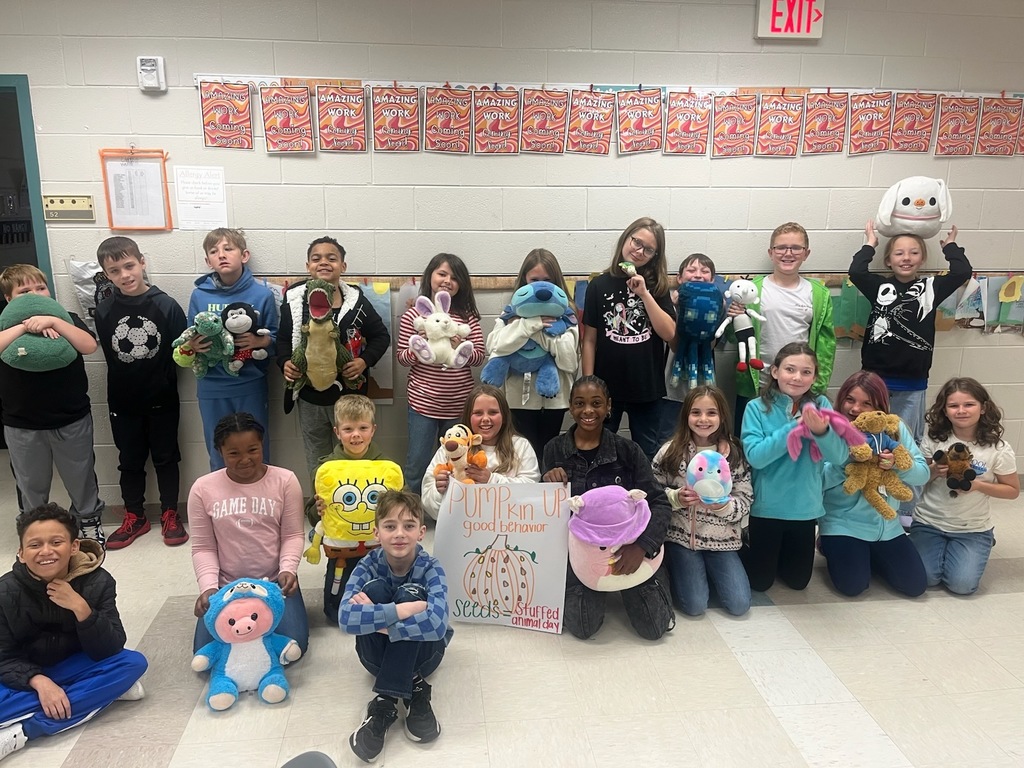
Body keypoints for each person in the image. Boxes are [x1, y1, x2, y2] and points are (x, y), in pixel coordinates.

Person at [0, 504, 147, 761]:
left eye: (56, 542)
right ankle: (99, 693)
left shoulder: (99, 582)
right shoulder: (5, 592)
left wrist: (82, 609)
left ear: (74, 546)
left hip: (74, 664)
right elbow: (3, 656)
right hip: (24, 672)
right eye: (35, 545)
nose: (46, 551)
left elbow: (111, 648)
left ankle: (23, 731)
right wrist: (40, 682)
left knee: (132, 663)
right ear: (21, 553)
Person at [850, 223, 972, 524]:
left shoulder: (932, 287)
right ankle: (866, 499)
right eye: (899, 253)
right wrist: (870, 243)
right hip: (874, 382)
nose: (906, 258)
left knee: (907, 445)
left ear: (922, 259)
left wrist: (950, 247)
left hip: (912, 383)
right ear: (888, 260)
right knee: (868, 440)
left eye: (914, 252)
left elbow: (961, 272)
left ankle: (905, 512)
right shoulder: (879, 287)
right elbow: (856, 271)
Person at [542, 376, 674, 640]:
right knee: (582, 627)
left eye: (596, 403)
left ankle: (645, 583)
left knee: (654, 627)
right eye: (580, 403)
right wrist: (546, 484)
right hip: (584, 554)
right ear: (570, 407)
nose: (588, 411)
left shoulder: (628, 450)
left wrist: (642, 547)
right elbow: (544, 514)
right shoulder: (553, 449)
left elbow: (658, 502)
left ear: (609, 406)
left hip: (630, 548)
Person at [340, 490, 452, 763]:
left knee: (411, 591)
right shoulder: (366, 566)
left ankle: (384, 703)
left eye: (409, 526)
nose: (399, 534)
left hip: (426, 658)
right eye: (390, 526)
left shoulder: (431, 567)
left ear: (422, 532)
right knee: (379, 590)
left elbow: (438, 626)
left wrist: (383, 624)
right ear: (377, 532)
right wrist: (403, 611)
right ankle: (414, 688)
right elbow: (345, 618)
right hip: (374, 659)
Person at [93, 236, 189, 549]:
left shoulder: (166, 305)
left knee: (166, 458)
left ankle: (170, 514)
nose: (124, 274)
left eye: (129, 265)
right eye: (115, 270)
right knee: (129, 460)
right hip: (123, 401)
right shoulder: (105, 310)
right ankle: (135, 516)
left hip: (162, 399)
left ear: (142, 262)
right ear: (107, 274)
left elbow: (183, 353)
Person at [0, 265, 106, 546]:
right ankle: (34, 531)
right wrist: (25, 326)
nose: (35, 295)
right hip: (21, 422)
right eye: (24, 291)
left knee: (80, 475)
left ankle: (89, 523)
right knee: (30, 482)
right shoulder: (4, 324)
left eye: (40, 288)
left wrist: (54, 322)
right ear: (9, 299)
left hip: (71, 416)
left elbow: (88, 346)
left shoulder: (66, 318)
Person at [187, 413, 308, 654]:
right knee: (206, 651)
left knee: (294, 647)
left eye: (253, 449)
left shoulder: (285, 481)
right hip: (225, 586)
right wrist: (209, 587)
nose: (245, 459)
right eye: (234, 453)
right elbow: (203, 548)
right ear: (220, 451)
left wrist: (287, 569)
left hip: (274, 584)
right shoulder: (202, 489)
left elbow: (293, 535)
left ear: (262, 444)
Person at [278, 236, 391, 482]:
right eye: (316, 258)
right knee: (317, 459)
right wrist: (284, 362)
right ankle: (321, 510)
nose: (324, 263)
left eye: (332, 258)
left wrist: (364, 361)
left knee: (355, 455)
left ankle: (355, 509)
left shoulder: (356, 301)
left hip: (349, 396)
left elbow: (381, 336)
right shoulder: (294, 300)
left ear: (343, 266)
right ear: (308, 266)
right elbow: (283, 340)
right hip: (309, 396)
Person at [740, 342, 849, 592]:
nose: (797, 377)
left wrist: (822, 432)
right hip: (767, 509)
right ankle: (741, 544)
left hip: (805, 509)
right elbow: (756, 457)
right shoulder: (756, 408)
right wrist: (796, 427)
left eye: (806, 372)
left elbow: (840, 455)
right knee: (760, 583)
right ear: (775, 372)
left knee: (798, 582)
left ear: (814, 376)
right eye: (790, 369)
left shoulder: (821, 405)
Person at [819, 371, 929, 597]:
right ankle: (829, 544)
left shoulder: (894, 429)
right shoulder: (829, 432)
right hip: (844, 524)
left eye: (866, 403)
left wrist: (896, 464)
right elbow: (817, 479)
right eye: (850, 400)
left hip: (887, 527)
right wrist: (848, 462)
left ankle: (869, 555)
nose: (856, 409)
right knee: (853, 586)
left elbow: (923, 474)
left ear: (879, 406)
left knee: (915, 586)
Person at [177, 228, 278, 471]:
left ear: (244, 255)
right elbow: (189, 335)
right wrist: (191, 347)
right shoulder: (199, 295)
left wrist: (260, 342)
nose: (221, 255)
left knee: (256, 448)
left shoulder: (262, 294)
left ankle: (260, 504)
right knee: (218, 449)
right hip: (212, 387)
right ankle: (222, 505)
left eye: (228, 249)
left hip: (250, 384)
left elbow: (275, 337)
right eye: (214, 251)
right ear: (207, 261)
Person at [910, 378, 1019, 595]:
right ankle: (941, 548)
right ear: (945, 410)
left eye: (969, 404)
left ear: (983, 408)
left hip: (972, 528)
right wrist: (932, 472)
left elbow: (1013, 491)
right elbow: (918, 479)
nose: (961, 411)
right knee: (927, 579)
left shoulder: (998, 448)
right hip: (929, 522)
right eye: (953, 405)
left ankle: (984, 542)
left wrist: (978, 486)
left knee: (962, 586)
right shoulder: (934, 439)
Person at [652, 385, 753, 616]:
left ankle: (709, 572)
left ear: (722, 416)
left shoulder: (734, 454)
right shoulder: (671, 451)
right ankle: (683, 571)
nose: (703, 419)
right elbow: (651, 489)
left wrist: (725, 506)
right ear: (686, 415)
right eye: (696, 412)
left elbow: (745, 498)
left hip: (722, 541)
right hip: (681, 540)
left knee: (739, 605)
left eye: (711, 413)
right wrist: (675, 497)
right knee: (695, 606)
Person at [581, 217, 675, 460]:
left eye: (649, 249)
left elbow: (670, 334)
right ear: (626, 238)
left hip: (646, 387)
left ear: (655, 255)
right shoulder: (598, 285)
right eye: (636, 241)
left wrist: (644, 293)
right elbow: (589, 339)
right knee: (598, 449)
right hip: (606, 388)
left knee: (646, 454)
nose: (639, 250)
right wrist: (589, 383)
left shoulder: (658, 286)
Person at [731, 222, 835, 436]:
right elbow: (735, 341)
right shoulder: (752, 290)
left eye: (796, 248)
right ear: (771, 253)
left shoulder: (818, 295)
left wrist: (816, 385)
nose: (788, 253)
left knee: (796, 446)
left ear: (806, 253)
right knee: (751, 447)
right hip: (756, 384)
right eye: (781, 248)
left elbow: (827, 346)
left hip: (798, 386)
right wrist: (734, 319)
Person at [396, 254, 484, 495]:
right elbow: (402, 358)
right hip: (422, 403)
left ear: (462, 284)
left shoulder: (467, 318)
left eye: (454, 277)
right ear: (430, 276)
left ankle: (454, 512)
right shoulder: (414, 316)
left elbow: (479, 357)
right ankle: (411, 514)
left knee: (459, 463)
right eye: (442, 274)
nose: (447, 281)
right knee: (417, 463)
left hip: (459, 404)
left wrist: (459, 348)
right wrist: (420, 347)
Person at [485, 248, 579, 460]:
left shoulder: (566, 315)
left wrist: (533, 333)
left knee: (548, 456)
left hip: (554, 400)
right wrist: (532, 324)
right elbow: (496, 346)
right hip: (517, 401)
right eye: (534, 279)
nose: (540, 286)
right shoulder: (512, 311)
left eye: (547, 280)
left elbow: (569, 362)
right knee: (522, 456)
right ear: (524, 281)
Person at [315, 394, 394, 622]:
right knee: (335, 610)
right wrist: (317, 509)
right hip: (341, 551)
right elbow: (313, 512)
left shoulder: (386, 467)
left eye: (363, 427)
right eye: (348, 429)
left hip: (378, 548)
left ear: (373, 430)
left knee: (381, 596)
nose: (356, 435)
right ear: (337, 432)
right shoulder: (327, 468)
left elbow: (402, 504)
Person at [421, 384, 540, 519]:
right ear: (468, 417)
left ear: (505, 416)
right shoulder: (450, 449)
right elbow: (429, 505)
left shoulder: (520, 446)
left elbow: (532, 492)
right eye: (478, 413)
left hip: (510, 529)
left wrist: (491, 480)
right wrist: (440, 491)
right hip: (463, 529)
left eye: (493, 412)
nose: (485, 419)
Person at [661, 253, 721, 441]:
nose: (698, 275)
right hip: (670, 385)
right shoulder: (669, 305)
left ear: (712, 280)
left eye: (705, 272)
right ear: (679, 278)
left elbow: (713, 343)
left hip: (703, 385)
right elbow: (673, 344)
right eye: (691, 270)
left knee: (701, 437)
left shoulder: (718, 304)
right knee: (668, 437)